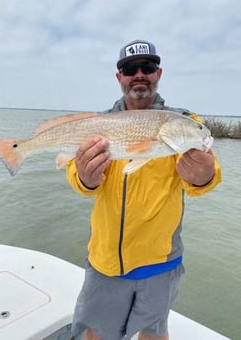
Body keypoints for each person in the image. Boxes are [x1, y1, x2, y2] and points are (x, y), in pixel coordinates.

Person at [66, 39, 222, 340]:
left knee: (153, 332)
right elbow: (79, 181)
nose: (139, 74)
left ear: (158, 73)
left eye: (147, 67)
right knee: (95, 334)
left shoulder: (185, 122)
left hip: (161, 261)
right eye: (129, 69)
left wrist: (204, 175)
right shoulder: (98, 124)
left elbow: (207, 176)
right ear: (119, 77)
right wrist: (86, 177)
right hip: (105, 261)